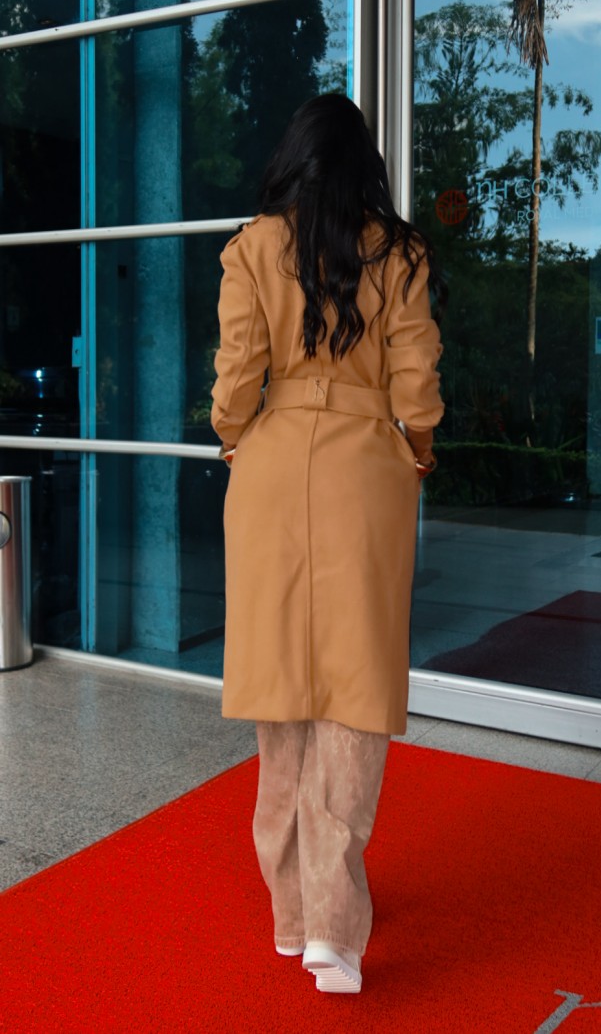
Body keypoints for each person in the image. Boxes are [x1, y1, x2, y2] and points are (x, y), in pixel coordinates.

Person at [210, 93, 445, 994]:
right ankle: (332, 934)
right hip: (363, 472)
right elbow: (415, 379)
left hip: (271, 468)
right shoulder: (400, 252)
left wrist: (236, 437)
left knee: (281, 691)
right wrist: (417, 449)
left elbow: (236, 377)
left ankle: (290, 913)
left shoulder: (251, 247)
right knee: (352, 688)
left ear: (293, 159)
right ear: (363, 166)